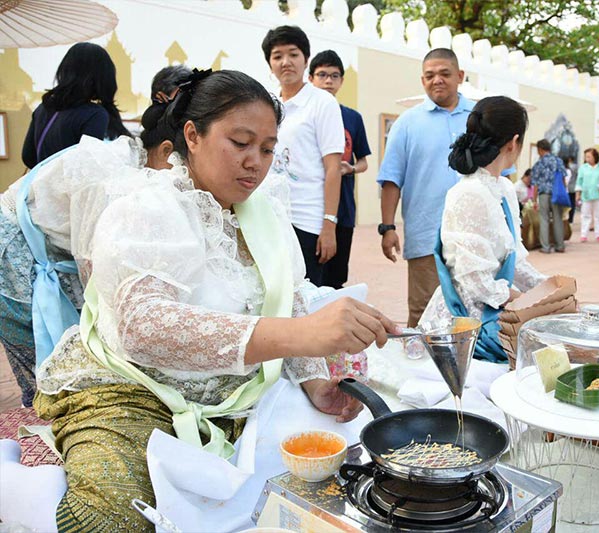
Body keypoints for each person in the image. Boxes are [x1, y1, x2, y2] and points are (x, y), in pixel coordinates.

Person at [15, 70, 397, 531]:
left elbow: (289, 298)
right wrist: (301, 334)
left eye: (268, 149)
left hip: (233, 395)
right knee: (114, 520)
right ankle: (18, 486)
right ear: (192, 136)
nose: (255, 163)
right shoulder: (147, 207)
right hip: (132, 389)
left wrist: (316, 381)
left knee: (338, 471)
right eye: (240, 142)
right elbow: (141, 328)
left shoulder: (266, 212)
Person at [0, 66, 192, 408]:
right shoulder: (107, 174)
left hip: (48, 248)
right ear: (166, 152)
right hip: (12, 252)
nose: (184, 183)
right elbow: (95, 273)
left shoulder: (134, 160)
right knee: (53, 366)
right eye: (186, 170)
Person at [419, 96, 546, 362]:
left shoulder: (504, 188)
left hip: (499, 307)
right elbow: (475, 282)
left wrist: (548, 290)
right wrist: (526, 301)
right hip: (469, 323)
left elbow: (513, 259)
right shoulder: (468, 193)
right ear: (514, 142)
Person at [377, 48, 474, 327]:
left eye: (445, 74)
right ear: (422, 80)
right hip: (426, 236)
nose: (437, 80)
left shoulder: (479, 119)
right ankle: (420, 357)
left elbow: (501, 176)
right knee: (424, 314)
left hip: (474, 235)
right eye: (430, 76)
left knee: (474, 311)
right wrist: (387, 228)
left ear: (460, 76)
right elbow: (391, 178)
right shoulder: (407, 123)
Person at [262, 26, 345, 287]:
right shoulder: (265, 104)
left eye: (293, 54)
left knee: (305, 295)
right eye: (277, 56)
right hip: (269, 217)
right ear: (270, 63)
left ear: (306, 60)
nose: (285, 62)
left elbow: (333, 168)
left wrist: (329, 225)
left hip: (307, 220)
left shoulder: (322, 103)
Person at [308, 50, 372, 289]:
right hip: (308, 209)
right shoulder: (303, 114)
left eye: (334, 76)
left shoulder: (352, 118)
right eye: (322, 75)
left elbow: (364, 162)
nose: (328, 81)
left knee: (334, 280)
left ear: (342, 81)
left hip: (342, 209)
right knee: (308, 278)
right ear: (311, 78)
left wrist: (350, 168)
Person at [21, 42, 129, 169]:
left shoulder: (43, 108)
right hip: (70, 182)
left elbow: (28, 157)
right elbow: (88, 165)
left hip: (42, 180)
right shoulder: (95, 114)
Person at [531, 139, 567, 254]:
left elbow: (535, 183)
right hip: (557, 193)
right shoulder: (558, 161)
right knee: (558, 219)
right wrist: (564, 193)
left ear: (540, 149)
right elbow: (563, 178)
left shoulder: (539, 163)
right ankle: (560, 246)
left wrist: (534, 200)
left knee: (544, 219)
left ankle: (545, 247)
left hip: (543, 194)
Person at [575, 148, 599, 242]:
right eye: (586, 157)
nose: (587, 159)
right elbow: (579, 181)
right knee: (585, 215)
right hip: (586, 194)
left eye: (589, 157)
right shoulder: (583, 168)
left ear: (595, 157)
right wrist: (578, 194)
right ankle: (584, 234)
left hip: (598, 194)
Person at [566, 156, 578, 223]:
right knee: (573, 203)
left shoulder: (567, 167)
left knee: (567, 203)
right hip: (574, 187)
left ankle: (567, 218)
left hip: (568, 187)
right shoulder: (576, 167)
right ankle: (571, 218)